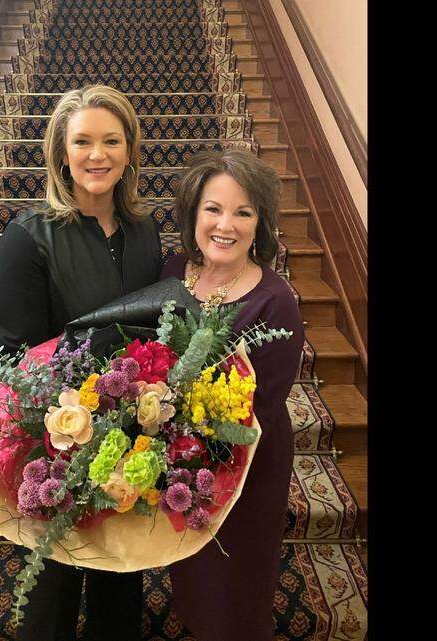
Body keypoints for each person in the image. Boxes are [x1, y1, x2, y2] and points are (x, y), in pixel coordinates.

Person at [0, 84, 159, 641]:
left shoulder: (144, 231)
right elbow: (14, 355)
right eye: (82, 141)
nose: (97, 154)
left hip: (129, 434)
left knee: (120, 578)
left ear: (130, 151)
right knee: (53, 588)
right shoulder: (27, 236)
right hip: (57, 438)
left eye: (111, 140)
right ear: (61, 152)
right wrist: (66, 425)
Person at [161, 149, 306, 641]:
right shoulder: (172, 269)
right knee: (193, 569)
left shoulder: (275, 301)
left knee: (237, 579)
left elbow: (256, 409)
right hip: (177, 456)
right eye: (213, 209)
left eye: (243, 212)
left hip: (246, 458)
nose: (226, 224)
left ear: (259, 223)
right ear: (193, 214)